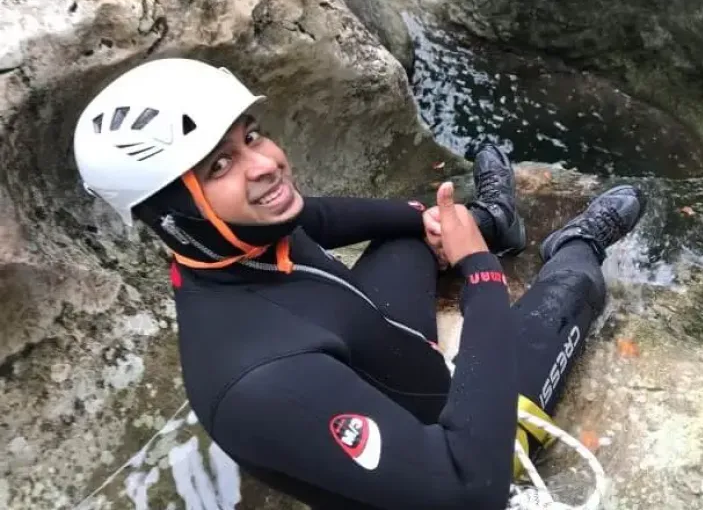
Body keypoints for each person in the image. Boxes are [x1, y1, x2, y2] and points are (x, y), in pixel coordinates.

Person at [73, 58, 645, 510]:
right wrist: (481, 274)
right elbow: (472, 489)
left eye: (252, 135)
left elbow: (314, 217)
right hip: (447, 430)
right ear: (173, 213)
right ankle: (577, 246)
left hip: (380, 348)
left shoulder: (228, 244)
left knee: (405, 236)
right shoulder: (260, 384)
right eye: (218, 166)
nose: (266, 162)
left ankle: (495, 219)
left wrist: (424, 220)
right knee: (566, 297)